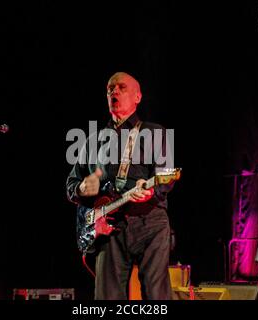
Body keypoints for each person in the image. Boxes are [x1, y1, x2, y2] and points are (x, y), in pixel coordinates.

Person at [66, 72, 175, 300]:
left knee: (156, 296)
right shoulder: (93, 141)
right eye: (110, 89)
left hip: (150, 222)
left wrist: (151, 192)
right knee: (107, 298)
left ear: (137, 96)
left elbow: (165, 177)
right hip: (110, 227)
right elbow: (71, 184)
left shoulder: (155, 132)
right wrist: (82, 190)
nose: (114, 91)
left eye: (121, 87)